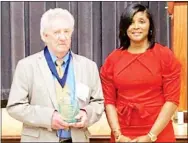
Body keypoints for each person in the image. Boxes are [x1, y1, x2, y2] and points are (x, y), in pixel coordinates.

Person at [6, 8, 104, 142]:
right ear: (44, 36)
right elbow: (15, 106)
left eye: (67, 32)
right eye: (57, 32)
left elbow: (98, 102)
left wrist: (87, 114)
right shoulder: (26, 66)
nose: (63, 37)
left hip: (77, 138)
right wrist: (49, 117)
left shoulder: (88, 66)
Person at [100, 3, 181, 142]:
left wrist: (151, 136)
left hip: (158, 133)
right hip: (123, 134)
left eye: (141, 21)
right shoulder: (112, 59)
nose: (136, 26)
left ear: (150, 26)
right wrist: (118, 135)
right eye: (131, 22)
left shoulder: (164, 56)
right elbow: (109, 101)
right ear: (125, 28)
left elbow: (172, 100)